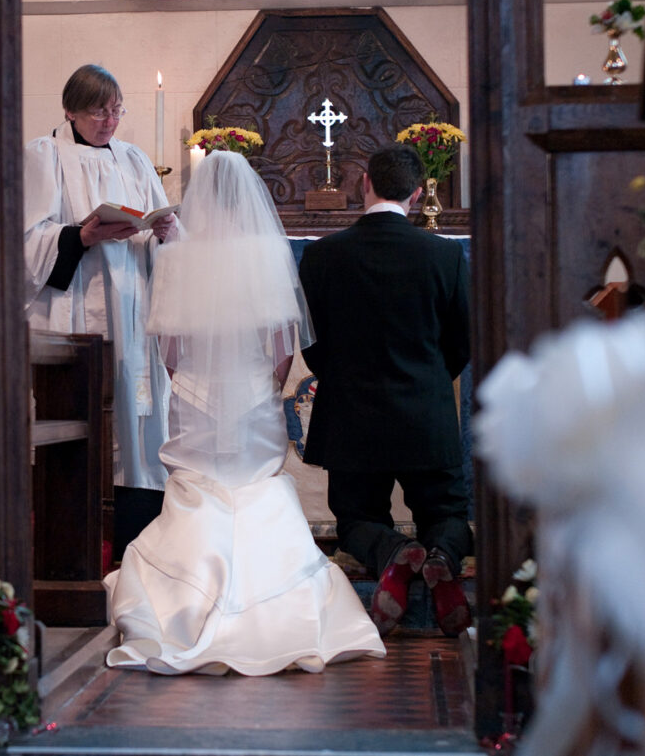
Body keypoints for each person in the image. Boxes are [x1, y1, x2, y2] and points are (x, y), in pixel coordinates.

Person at [103, 150, 386, 674]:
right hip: (254, 390)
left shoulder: (178, 256)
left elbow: (167, 349)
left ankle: (184, 596)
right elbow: (283, 348)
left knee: (198, 481)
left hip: (193, 392)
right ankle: (283, 601)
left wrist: (190, 386)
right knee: (256, 482)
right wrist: (264, 388)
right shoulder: (265, 251)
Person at [298, 143, 473, 637]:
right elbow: (462, 340)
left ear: (364, 185)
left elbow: (312, 342)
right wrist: (432, 380)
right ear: (417, 195)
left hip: (352, 417)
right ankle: (439, 556)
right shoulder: (444, 255)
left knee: (355, 519)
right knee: (447, 513)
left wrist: (344, 379)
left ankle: (395, 553)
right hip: (427, 414)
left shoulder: (321, 255)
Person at [24, 64, 179, 558]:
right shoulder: (42, 156)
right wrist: (81, 236)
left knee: (136, 426)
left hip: (132, 315)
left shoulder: (134, 159)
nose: (109, 120)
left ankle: (135, 547)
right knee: (79, 420)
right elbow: (23, 240)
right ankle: (71, 545)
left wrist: (164, 234)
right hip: (71, 309)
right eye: (98, 110)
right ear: (69, 109)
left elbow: (165, 233)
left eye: (116, 109)